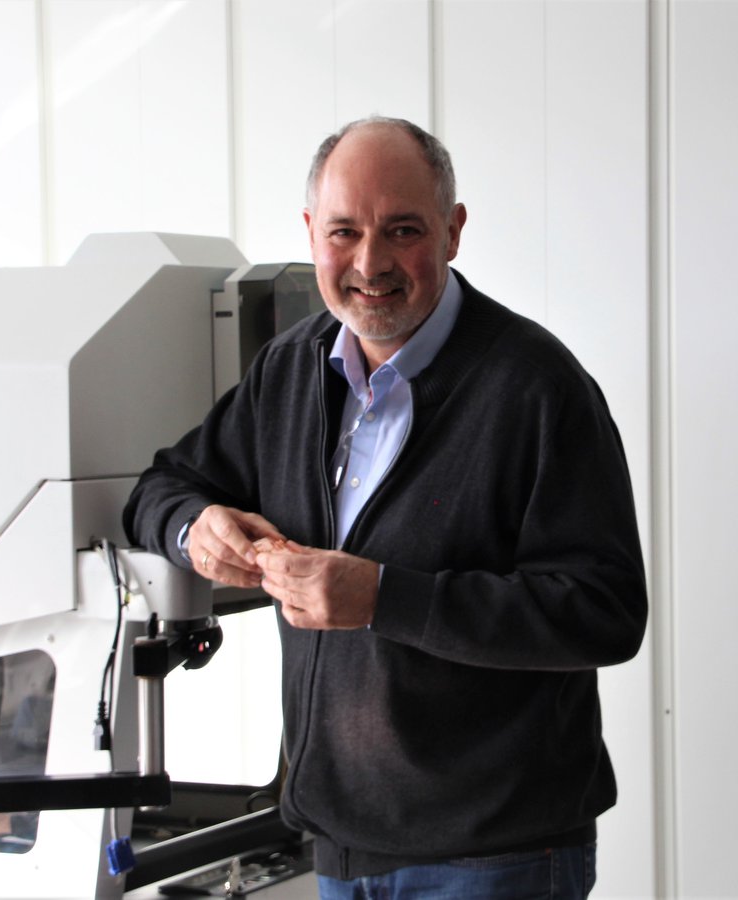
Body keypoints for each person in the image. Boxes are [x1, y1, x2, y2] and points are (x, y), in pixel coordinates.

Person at [123, 116, 647, 899]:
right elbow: (160, 488)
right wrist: (192, 528)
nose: (370, 264)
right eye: (345, 232)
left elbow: (605, 612)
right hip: (338, 849)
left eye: (403, 230)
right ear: (311, 233)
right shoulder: (289, 370)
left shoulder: (538, 389)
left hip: (496, 858)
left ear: (452, 231)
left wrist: (382, 597)